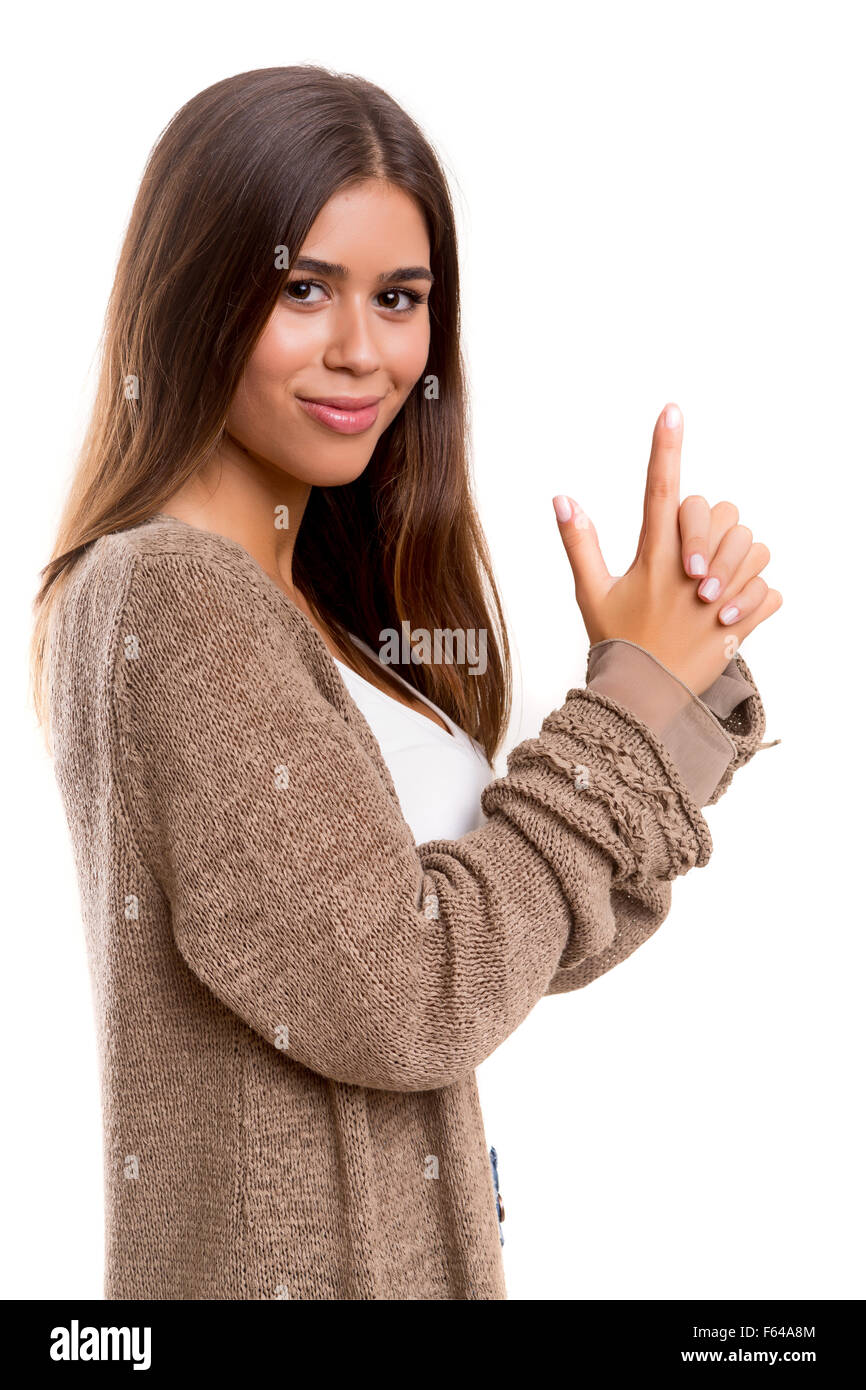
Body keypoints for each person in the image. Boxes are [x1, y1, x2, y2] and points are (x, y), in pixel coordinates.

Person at [31, 65, 781, 1300]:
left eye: (400, 297)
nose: (361, 351)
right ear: (193, 295)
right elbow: (403, 996)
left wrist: (660, 688)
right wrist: (627, 718)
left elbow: (494, 955)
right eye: (302, 289)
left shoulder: (311, 609)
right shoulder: (168, 592)